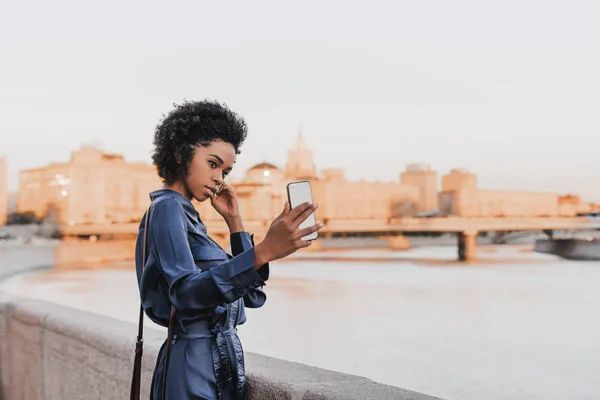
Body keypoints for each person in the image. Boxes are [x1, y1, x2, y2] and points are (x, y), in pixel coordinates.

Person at [134, 99, 323, 400]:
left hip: (222, 364)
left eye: (226, 171)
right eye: (212, 164)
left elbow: (252, 297)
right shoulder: (167, 208)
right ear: (181, 153)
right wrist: (263, 251)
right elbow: (183, 293)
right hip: (191, 368)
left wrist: (235, 222)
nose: (219, 178)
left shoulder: (189, 219)